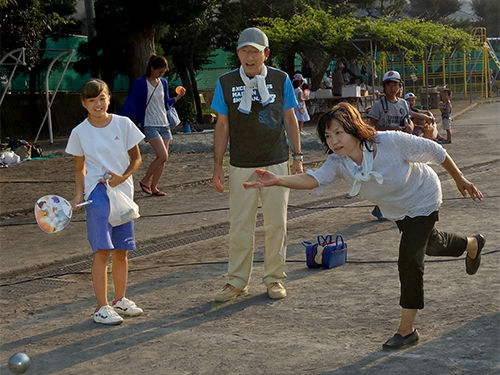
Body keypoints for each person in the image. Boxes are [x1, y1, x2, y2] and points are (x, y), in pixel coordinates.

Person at [243, 102, 485, 351]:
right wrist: (278, 180)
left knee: (410, 260)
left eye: (339, 132)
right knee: (431, 244)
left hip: (423, 196)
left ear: (353, 128)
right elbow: (313, 179)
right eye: (328, 136)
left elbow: (436, 151)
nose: (334, 141)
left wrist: (460, 179)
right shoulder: (339, 162)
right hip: (398, 209)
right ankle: (472, 244)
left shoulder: (388, 141)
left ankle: (407, 331)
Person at [211, 27, 302, 302]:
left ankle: (275, 278)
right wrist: (218, 166)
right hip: (240, 164)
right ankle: (236, 282)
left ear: (266, 54)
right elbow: (222, 125)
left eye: (255, 51)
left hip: (275, 161)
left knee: (277, 224)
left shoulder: (280, 78)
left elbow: (290, 119)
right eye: (244, 51)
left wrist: (297, 158)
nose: (249, 57)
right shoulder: (225, 82)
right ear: (237, 53)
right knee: (240, 225)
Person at [66, 79, 145, 325]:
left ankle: (120, 300)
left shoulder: (123, 124)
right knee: (103, 250)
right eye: (92, 100)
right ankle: (102, 307)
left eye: (102, 98)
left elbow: (136, 159)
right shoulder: (79, 132)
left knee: (121, 250)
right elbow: (80, 169)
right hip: (97, 194)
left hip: (123, 193)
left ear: (109, 98)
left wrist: (123, 177)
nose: (98, 104)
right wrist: (79, 195)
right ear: (84, 104)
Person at [120, 54, 186, 196]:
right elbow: (132, 102)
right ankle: (144, 180)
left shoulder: (163, 82)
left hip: (164, 123)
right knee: (163, 155)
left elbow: (165, 103)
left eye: (163, 72)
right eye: (159, 71)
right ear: (151, 68)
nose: (161, 74)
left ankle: (154, 187)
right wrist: (129, 120)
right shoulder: (141, 82)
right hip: (150, 124)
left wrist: (178, 97)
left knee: (163, 158)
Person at [367, 70, 414, 221]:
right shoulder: (378, 105)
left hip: (401, 146)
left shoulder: (404, 104)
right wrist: (391, 130)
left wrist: (411, 127)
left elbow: (409, 120)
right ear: (384, 87)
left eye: (395, 85)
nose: (392, 88)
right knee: (388, 178)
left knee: (402, 177)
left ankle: (385, 208)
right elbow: (370, 127)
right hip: (384, 147)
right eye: (389, 85)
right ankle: (381, 208)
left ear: (400, 86)